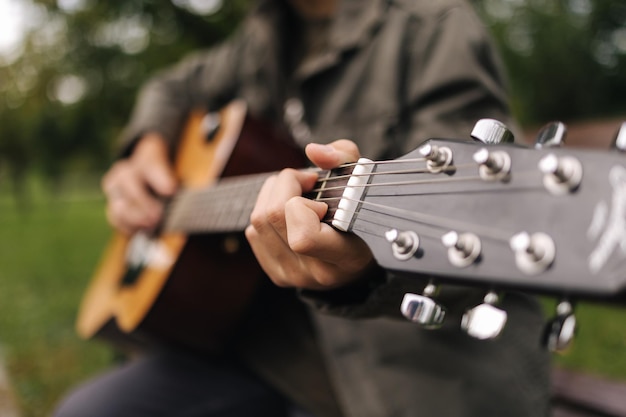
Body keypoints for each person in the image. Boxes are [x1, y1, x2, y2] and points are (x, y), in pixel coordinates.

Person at [54, 0, 552, 416]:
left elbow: (474, 217)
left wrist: (365, 267)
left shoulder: (431, 27)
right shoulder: (261, 37)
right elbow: (168, 87)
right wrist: (145, 147)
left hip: (406, 379)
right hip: (261, 346)